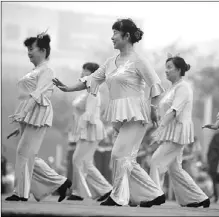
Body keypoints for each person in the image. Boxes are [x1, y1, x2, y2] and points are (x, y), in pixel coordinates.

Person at [53, 18, 165, 207]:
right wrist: (67, 88)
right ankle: (154, 193)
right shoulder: (110, 62)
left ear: (126, 36)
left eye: (115, 33)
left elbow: (156, 85)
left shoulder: (139, 61)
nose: (112, 37)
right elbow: (91, 79)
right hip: (120, 116)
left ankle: (119, 197)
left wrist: (154, 110)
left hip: (137, 114)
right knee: (126, 158)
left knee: (118, 154)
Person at [5, 32, 72, 202]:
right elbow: (27, 95)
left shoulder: (47, 70)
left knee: (24, 153)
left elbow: (36, 95)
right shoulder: (35, 71)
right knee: (27, 154)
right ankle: (61, 183)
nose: (28, 52)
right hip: (28, 114)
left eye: (31, 49)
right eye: (27, 49)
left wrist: (23, 113)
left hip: (38, 113)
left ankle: (21, 193)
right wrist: (19, 122)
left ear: (42, 50)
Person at [149, 55, 210, 208]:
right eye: (166, 67)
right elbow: (166, 109)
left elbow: (174, 110)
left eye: (169, 67)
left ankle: (153, 195)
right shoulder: (174, 87)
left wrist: (159, 130)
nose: (166, 71)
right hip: (171, 131)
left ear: (179, 70)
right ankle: (197, 198)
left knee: (156, 161)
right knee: (175, 168)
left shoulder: (183, 87)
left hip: (177, 132)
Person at [63, 62, 112, 201]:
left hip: (90, 128)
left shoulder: (93, 90)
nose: (83, 72)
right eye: (83, 69)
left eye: (86, 70)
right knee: (84, 162)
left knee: (78, 160)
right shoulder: (88, 89)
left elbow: (89, 113)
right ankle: (103, 189)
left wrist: (80, 129)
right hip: (87, 128)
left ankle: (81, 192)